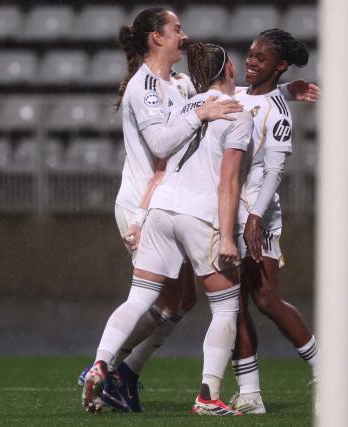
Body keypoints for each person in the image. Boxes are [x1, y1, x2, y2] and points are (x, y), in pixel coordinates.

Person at [80, 7, 243, 413]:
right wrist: (201, 113)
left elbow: (221, 94)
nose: (183, 36)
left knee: (181, 299)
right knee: (160, 298)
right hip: (143, 205)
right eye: (177, 28)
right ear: (157, 37)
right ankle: (111, 366)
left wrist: (282, 92)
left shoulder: (180, 82)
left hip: (162, 203)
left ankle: (117, 371)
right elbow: (160, 144)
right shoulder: (146, 87)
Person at [114, 41, 252, 416]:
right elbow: (228, 182)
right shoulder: (233, 112)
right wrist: (227, 236)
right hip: (190, 213)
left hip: (160, 210)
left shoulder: (181, 103)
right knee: (224, 305)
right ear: (230, 71)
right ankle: (207, 395)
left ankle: (114, 364)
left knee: (172, 299)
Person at [227, 28, 321, 414]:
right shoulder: (234, 94)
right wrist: (284, 90)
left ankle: (324, 371)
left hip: (256, 213)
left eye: (260, 58)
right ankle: (249, 393)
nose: (250, 61)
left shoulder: (280, 115)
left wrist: (254, 217)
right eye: (249, 54)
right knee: (230, 302)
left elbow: (274, 172)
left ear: (280, 65)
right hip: (224, 211)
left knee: (266, 298)